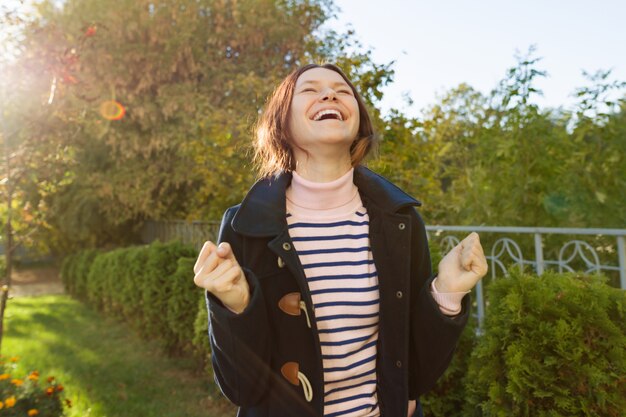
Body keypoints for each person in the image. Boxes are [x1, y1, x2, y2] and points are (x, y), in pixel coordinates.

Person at [193, 63, 488, 417]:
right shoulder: (245, 227)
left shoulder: (401, 221)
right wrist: (236, 306)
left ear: (359, 122)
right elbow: (243, 387)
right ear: (281, 123)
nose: (329, 94)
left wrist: (447, 293)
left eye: (342, 90)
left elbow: (417, 376)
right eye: (309, 89)